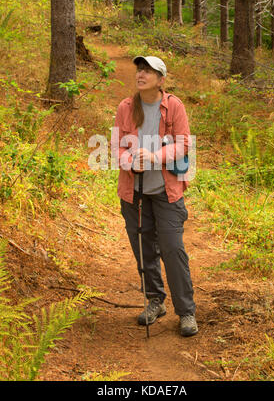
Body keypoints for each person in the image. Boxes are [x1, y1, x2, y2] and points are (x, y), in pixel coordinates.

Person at [112, 55, 198, 337]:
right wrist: (129, 162)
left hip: (166, 192)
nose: (141, 74)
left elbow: (184, 143)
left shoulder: (173, 106)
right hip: (134, 193)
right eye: (139, 70)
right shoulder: (126, 107)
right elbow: (116, 148)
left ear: (161, 80)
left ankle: (186, 311)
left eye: (148, 71)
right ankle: (155, 300)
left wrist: (154, 156)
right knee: (144, 249)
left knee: (173, 250)